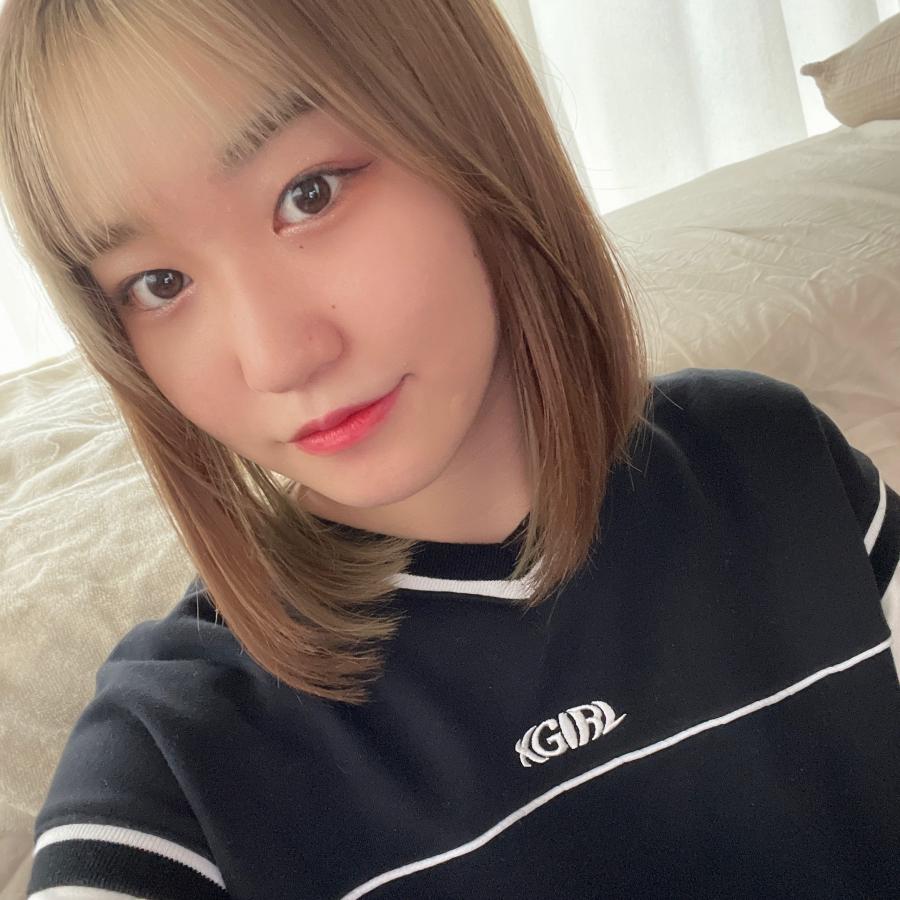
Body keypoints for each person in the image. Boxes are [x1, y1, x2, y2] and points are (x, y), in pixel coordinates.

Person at [0, 1, 896, 898]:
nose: (276, 359)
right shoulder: (173, 759)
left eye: (309, 193)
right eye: (159, 284)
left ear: (471, 127)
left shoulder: (771, 463)